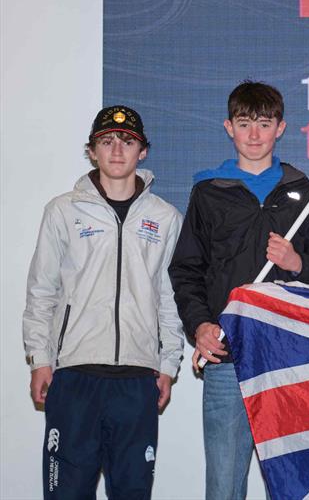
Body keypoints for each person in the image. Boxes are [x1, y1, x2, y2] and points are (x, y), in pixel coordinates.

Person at [168, 81, 309, 499]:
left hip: (291, 355)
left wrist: (297, 264)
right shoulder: (209, 193)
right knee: (224, 483)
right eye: (245, 124)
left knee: (303, 481)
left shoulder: (304, 192)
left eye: (264, 123)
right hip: (230, 355)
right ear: (229, 127)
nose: (255, 134)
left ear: (281, 128)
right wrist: (200, 325)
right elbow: (187, 270)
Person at [23, 105, 184, 499]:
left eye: (127, 141)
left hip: (137, 380)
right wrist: (40, 359)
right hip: (74, 377)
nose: (116, 150)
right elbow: (42, 291)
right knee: (67, 493)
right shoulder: (62, 211)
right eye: (106, 141)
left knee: (132, 492)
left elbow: (169, 297)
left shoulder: (164, 218)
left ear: (142, 151)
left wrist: (168, 363)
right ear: (91, 151)